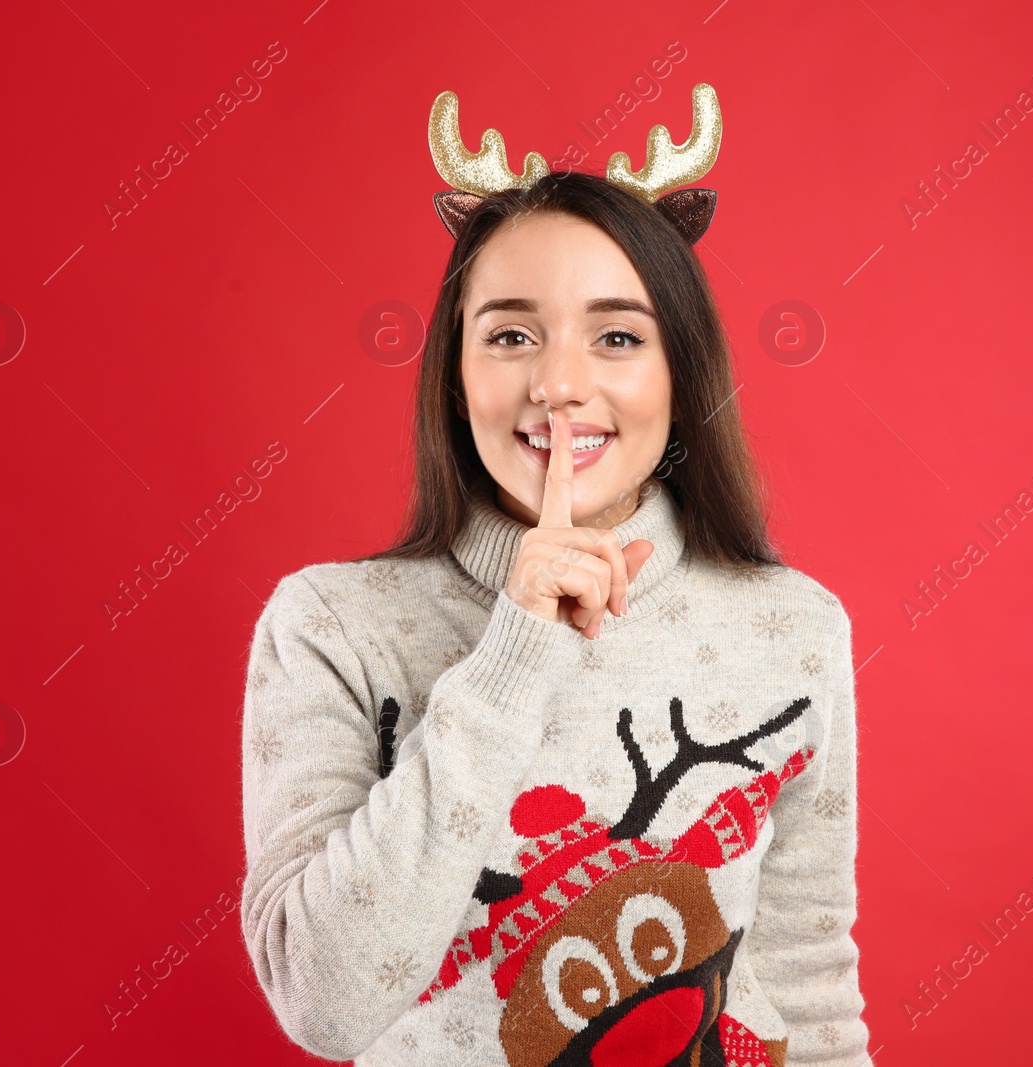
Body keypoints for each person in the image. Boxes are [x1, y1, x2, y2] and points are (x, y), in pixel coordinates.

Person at [240, 84, 871, 1066]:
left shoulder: (792, 628)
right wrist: (513, 651)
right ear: (455, 372)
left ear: (678, 370)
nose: (558, 382)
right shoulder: (330, 624)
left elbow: (805, 992)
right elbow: (323, 1003)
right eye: (510, 334)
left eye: (616, 336)